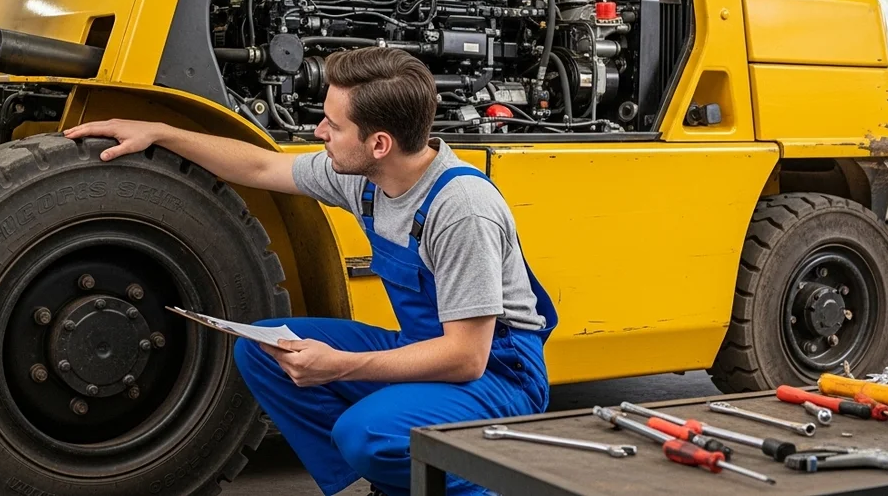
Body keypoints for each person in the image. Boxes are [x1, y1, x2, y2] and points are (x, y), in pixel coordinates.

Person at [63, 47, 558, 496]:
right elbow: (261, 167)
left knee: (363, 431)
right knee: (266, 348)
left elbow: (466, 356)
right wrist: (160, 132)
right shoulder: (367, 179)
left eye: (332, 125)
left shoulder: (460, 210)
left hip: (498, 376)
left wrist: (341, 364)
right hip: (426, 351)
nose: (319, 133)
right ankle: (394, 477)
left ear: (379, 142)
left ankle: (479, 486)